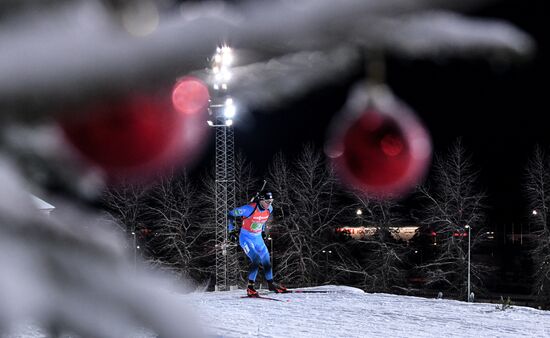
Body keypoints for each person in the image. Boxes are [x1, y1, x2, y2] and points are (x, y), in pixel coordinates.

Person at [228, 191, 287, 296]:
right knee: (256, 259)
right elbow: (231, 213)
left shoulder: (270, 209)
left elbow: (263, 221)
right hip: (246, 238)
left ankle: (270, 283)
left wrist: (263, 231)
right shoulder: (249, 209)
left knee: (266, 258)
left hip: (258, 238)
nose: (269, 204)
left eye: (271, 201)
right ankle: (250, 288)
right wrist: (231, 230)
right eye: (267, 201)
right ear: (261, 200)